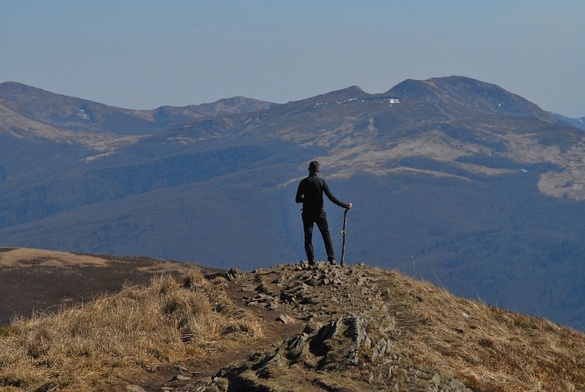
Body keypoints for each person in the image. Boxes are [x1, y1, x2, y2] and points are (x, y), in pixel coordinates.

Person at [295, 160, 352, 265]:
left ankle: (311, 261)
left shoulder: (303, 182)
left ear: (309, 170)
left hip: (307, 213)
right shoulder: (321, 182)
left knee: (308, 236)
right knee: (326, 235)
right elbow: (331, 197)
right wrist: (345, 205)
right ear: (318, 171)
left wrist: (307, 199)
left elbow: (297, 199)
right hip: (319, 213)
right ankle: (332, 259)